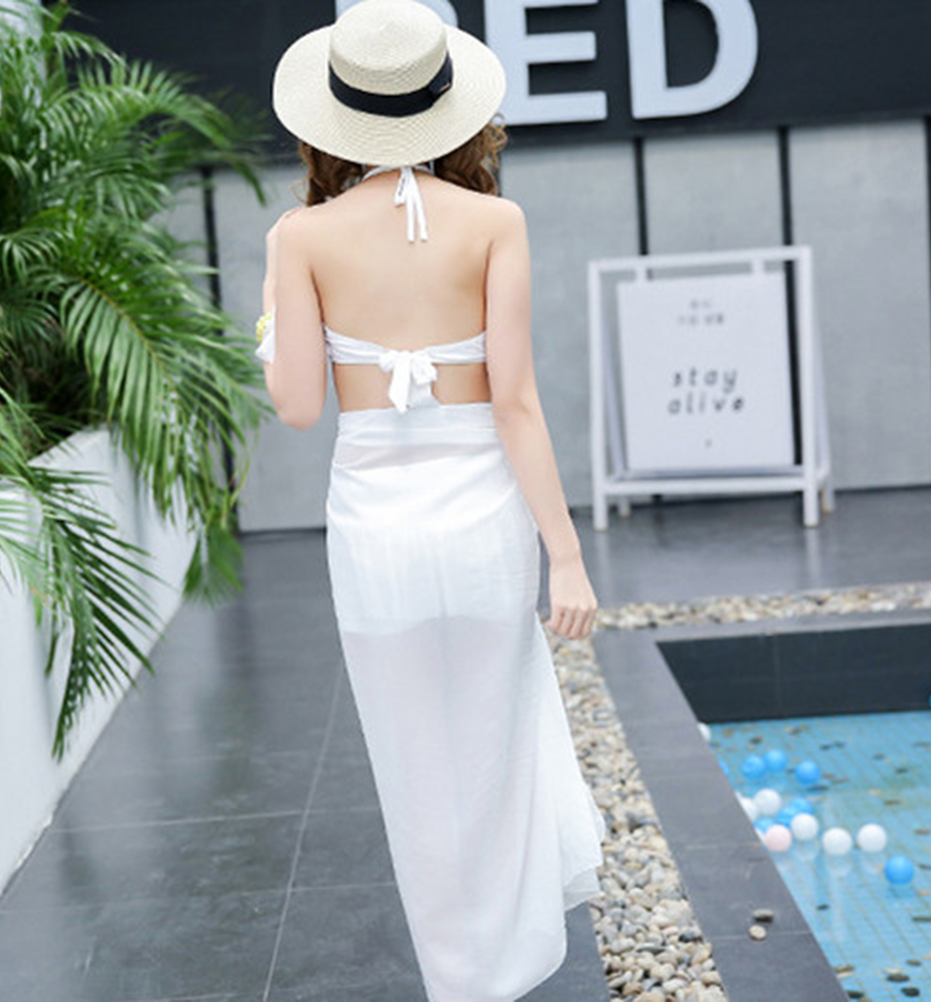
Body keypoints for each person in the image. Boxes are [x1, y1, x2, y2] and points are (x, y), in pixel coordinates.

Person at [256, 2, 606, 999]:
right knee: (495, 744)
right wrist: (566, 556)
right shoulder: (496, 223)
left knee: (415, 771)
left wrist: (275, 320)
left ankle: (459, 981)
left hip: (376, 529)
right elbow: (517, 403)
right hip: (485, 519)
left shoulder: (300, 236)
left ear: (334, 115)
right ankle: (510, 961)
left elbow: (297, 409)